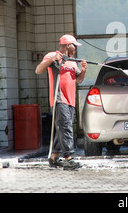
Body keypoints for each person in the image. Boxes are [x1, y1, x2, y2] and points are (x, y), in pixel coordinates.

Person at [36, 34, 87, 170]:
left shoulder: (72, 61)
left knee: (62, 128)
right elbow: (38, 70)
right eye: (74, 45)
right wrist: (53, 59)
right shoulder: (53, 55)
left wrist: (83, 70)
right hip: (59, 99)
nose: (75, 48)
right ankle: (68, 158)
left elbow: (79, 80)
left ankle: (54, 156)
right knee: (65, 128)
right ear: (67, 45)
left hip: (71, 101)